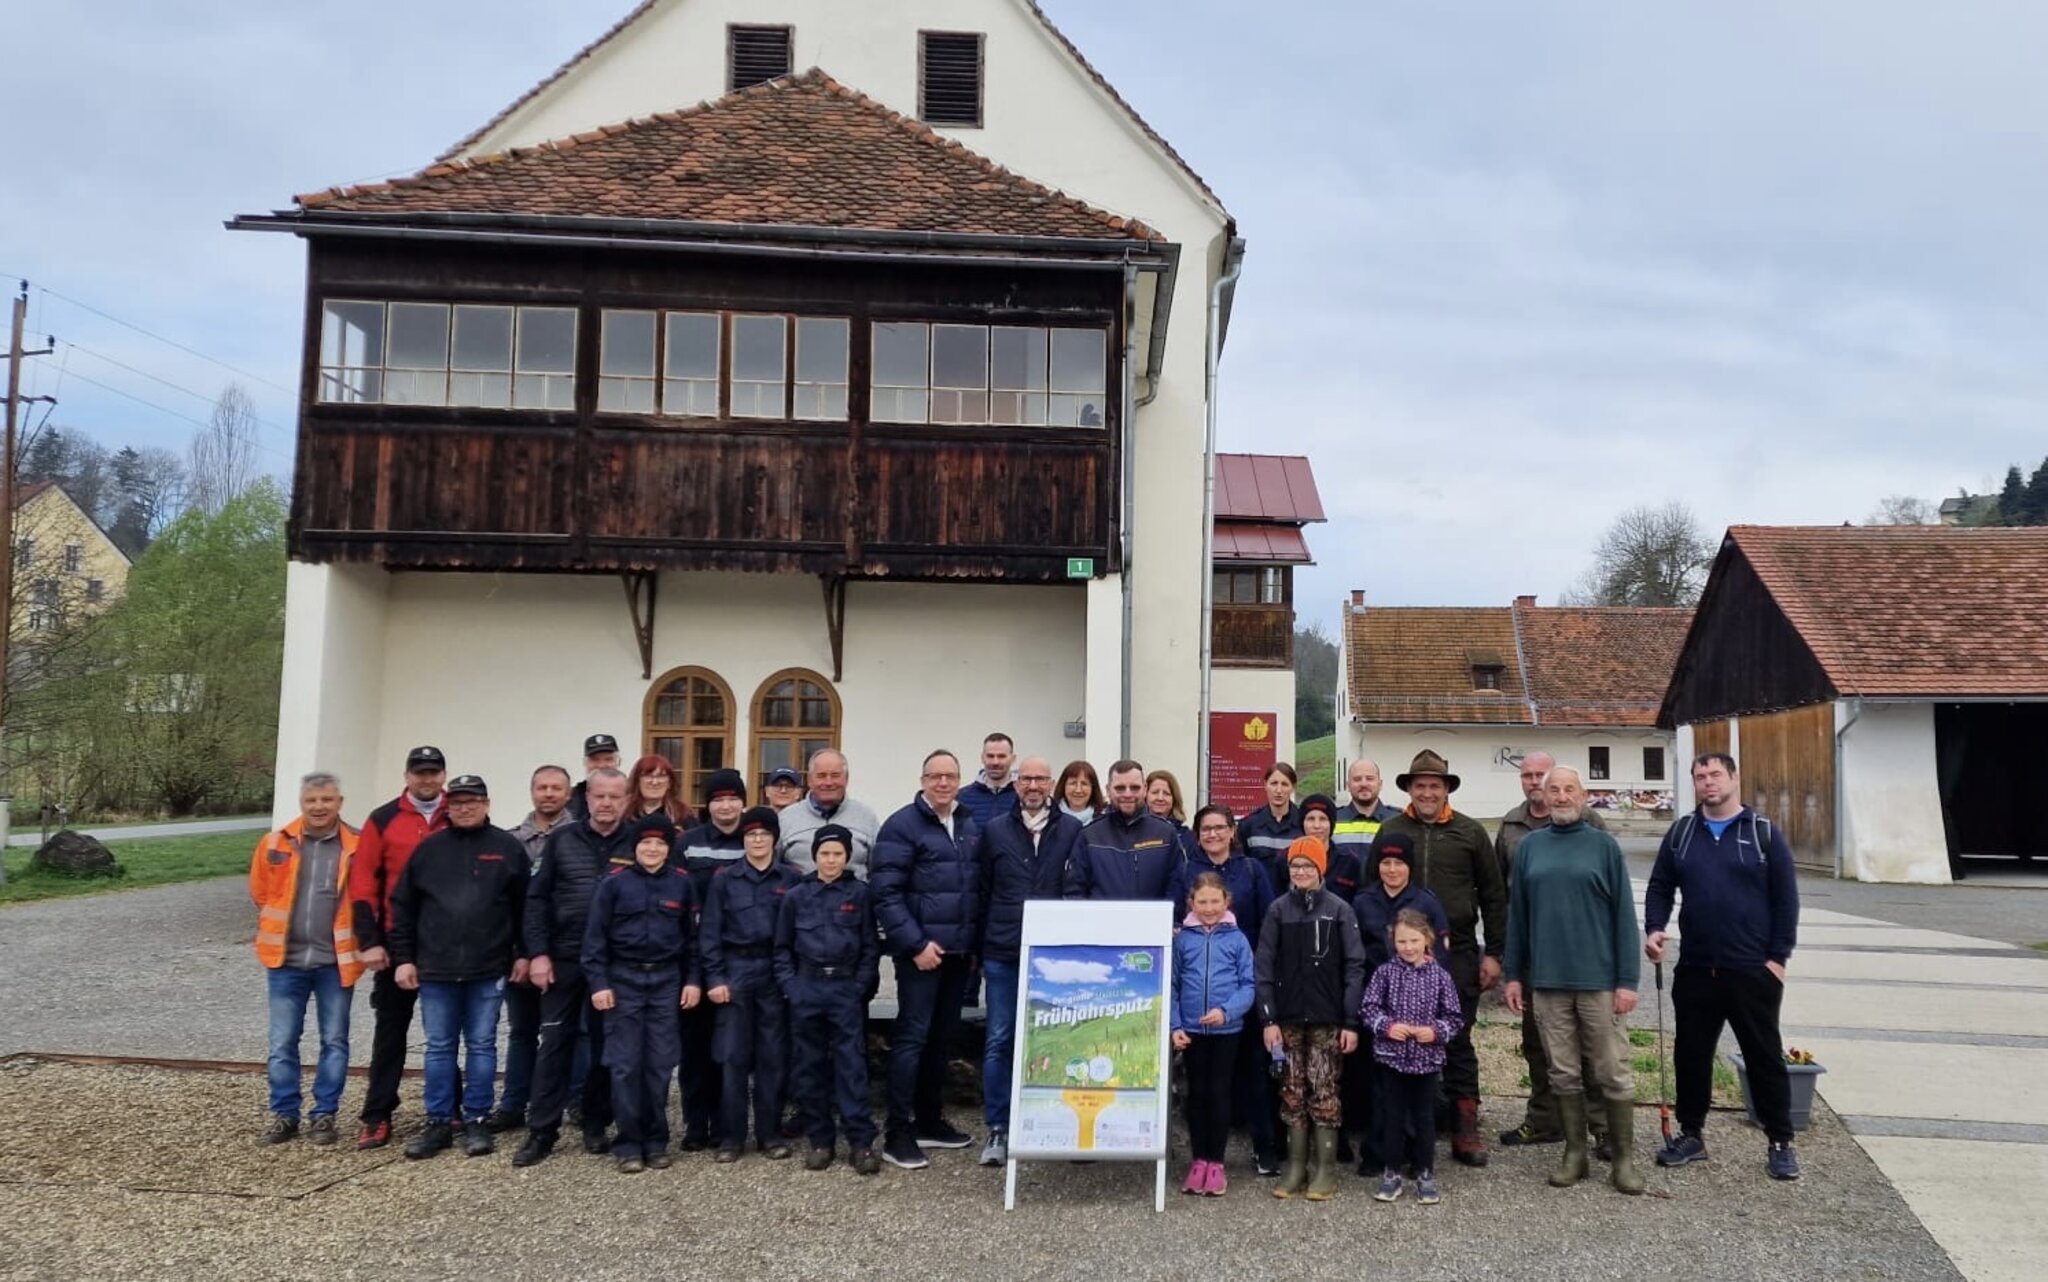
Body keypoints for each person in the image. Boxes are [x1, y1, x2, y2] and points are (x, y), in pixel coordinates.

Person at [1644, 752, 1802, 1182]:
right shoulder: (1682, 834)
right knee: (1691, 1054)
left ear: (1734, 778)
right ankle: (1691, 1134)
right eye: (1700, 777)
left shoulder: (1763, 834)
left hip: (1752, 968)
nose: (1708, 783)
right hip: (1696, 966)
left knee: (1763, 1055)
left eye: (1716, 775)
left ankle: (1780, 1141)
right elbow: (1660, 886)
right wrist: (1654, 928)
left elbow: (1785, 900)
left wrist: (1777, 958)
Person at [1504, 765, 1644, 1194]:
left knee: (1611, 1070)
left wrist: (1627, 980)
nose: (1561, 797)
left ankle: (1622, 1160)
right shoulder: (1531, 847)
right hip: (1547, 983)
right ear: (1542, 798)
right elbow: (1519, 917)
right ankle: (1575, 1154)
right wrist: (1513, 974)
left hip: (1599, 981)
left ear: (1584, 796)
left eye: (1569, 789)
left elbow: (1624, 915)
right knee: (1562, 1071)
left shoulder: (1603, 847)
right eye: (1554, 790)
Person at [1371, 750, 1506, 1168]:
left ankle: (1465, 1126)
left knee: (1456, 1037)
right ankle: (1407, 1127)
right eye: (1420, 785)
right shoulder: (1391, 829)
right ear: (1409, 789)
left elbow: (1493, 894)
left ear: (1446, 789)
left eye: (1435, 785)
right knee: (1397, 1038)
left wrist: (1495, 953)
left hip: (1458, 951)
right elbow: (1369, 889)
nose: (1427, 792)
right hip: (1399, 957)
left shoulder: (1470, 833)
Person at [387, 775, 530, 1160]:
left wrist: (521, 953)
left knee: (482, 1045)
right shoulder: (428, 850)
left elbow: (524, 908)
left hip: (488, 967)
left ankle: (478, 1119)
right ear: (448, 807)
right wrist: (403, 959)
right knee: (439, 1048)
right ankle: (438, 1121)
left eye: (473, 801)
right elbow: (403, 908)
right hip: (435, 967)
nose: (465, 808)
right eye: (458, 802)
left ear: (487, 804)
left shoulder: (507, 848)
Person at [513, 768, 632, 1167]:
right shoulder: (563, 839)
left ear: (626, 799)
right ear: (587, 798)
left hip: (613, 963)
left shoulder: (637, 841)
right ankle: (541, 1130)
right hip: (563, 957)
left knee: (604, 1045)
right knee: (556, 1043)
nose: (606, 803)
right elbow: (537, 900)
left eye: (615, 796)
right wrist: (539, 953)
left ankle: (596, 1122)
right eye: (600, 796)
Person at [871, 748, 983, 1170]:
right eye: (935, 776)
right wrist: (916, 945)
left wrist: (971, 946)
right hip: (920, 956)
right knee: (912, 1040)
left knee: (941, 1042)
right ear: (922, 780)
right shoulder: (901, 825)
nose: (942, 783)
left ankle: (930, 1121)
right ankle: (898, 1132)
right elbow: (885, 893)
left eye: (950, 776)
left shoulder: (969, 823)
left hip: (956, 955)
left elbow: (972, 890)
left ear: (959, 780)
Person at [1496, 749, 1611, 1153]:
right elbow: (1500, 894)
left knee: (1589, 1048)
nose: (1533, 782)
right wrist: (1504, 958)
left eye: (1540, 774)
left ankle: (1600, 1126)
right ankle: (1544, 1118)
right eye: (1527, 775)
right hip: (1532, 953)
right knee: (1536, 1043)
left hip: (1583, 955)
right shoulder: (1511, 826)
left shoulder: (1592, 825)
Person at [975, 756, 1085, 1166]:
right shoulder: (994, 831)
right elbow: (982, 891)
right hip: (1004, 950)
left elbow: (1076, 887)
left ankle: (1061, 1123)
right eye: (1027, 779)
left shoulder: (1072, 830)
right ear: (1016, 784)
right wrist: (978, 950)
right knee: (1000, 1039)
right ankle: (999, 1128)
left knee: (1059, 1040)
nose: (1034, 785)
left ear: (1051, 783)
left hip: (1055, 955)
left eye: (1041, 778)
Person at [583, 811, 702, 1174]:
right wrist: (599, 984)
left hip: (666, 981)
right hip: (623, 981)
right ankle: (629, 1143)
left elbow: (692, 942)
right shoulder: (613, 885)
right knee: (624, 1066)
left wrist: (693, 980)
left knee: (660, 1065)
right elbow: (594, 941)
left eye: (660, 843)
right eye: (645, 842)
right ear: (635, 847)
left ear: (669, 848)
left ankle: (656, 1140)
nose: (652, 848)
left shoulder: (683, 885)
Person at [347, 744, 451, 1150]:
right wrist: (369, 941)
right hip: (393, 942)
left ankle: (448, 1108)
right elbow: (362, 883)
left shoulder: (458, 812)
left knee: (445, 1032)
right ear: (407, 776)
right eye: (419, 773)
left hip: (444, 941)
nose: (426, 780)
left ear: (443, 775)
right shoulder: (383, 819)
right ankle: (377, 1114)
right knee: (391, 1032)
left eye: (433, 773)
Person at [1167, 803, 1279, 1175]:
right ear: (1197, 834)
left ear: (1233, 830)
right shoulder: (1186, 870)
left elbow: (1268, 920)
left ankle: (1264, 1149)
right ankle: (1204, 1157)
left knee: (1253, 1071)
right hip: (1199, 987)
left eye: (1220, 827)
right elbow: (1172, 918)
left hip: (1242, 982)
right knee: (1201, 1084)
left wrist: (1259, 975)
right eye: (1205, 829)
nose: (1213, 834)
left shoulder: (1250, 869)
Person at [250, 772, 362, 1147]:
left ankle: (324, 1115)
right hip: (286, 962)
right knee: (282, 1042)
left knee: (335, 1041)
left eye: (327, 800)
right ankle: (284, 1114)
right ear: (302, 803)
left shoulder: (357, 846)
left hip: (336, 963)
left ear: (339, 802)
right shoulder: (274, 843)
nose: (319, 807)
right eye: (312, 800)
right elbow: (261, 893)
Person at [1256, 837, 1366, 1202]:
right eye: (1295, 866)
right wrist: (1268, 1018)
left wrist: (1350, 1021)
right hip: (1286, 1018)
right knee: (1291, 1090)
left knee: (1325, 1090)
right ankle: (1296, 1164)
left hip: (1327, 1018)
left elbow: (1354, 966)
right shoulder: (1277, 911)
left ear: (1321, 869)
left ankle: (1326, 1168)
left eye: (1308, 866)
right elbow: (1264, 968)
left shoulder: (1339, 910)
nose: (1301, 872)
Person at [776, 824, 883, 1175]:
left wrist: (858, 987)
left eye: (838, 854)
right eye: (825, 853)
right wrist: (792, 987)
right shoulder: (796, 896)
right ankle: (820, 1140)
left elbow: (870, 946)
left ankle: (861, 1142)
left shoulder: (860, 894)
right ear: (815, 856)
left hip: (844, 989)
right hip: (807, 987)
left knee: (851, 1067)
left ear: (847, 857)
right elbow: (782, 949)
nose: (831, 860)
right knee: (809, 1067)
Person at [701, 805, 801, 1162]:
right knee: (732, 1058)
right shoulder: (724, 879)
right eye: (751, 835)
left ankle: (770, 1134)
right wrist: (715, 977)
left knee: (772, 1058)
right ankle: (731, 1138)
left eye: (764, 834)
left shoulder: (791, 879)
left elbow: (797, 934)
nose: (757, 840)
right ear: (743, 839)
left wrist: (792, 979)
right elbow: (709, 932)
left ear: (775, 839)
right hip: (735, 971)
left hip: (775, 973)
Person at [1348, 830, 1448, 1176]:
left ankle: (1414, 1154)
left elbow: (1441, 962)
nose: (1392, 870)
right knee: (1377, 1085)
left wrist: (1435, 1020)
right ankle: (1378, 1152)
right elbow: (1354, 956)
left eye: (1399, 863)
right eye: (1386, 863)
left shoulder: (1427, 902)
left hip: (1417, 1012)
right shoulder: (1362, 902)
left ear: (1410, 866)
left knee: (1417, 1091)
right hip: (1376, 1006)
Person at [493, 764, 575, 1133]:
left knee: (569, 1033)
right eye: (542, 787)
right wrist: (519, 953)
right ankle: (514, 1103)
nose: (549, 794)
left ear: (569, 794)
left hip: (565, 952)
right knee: (523, 1031)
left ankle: (575, 1103)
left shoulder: (580, 838)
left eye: (557, 788)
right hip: (522, 955)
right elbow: (506, 905)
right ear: (532, 792)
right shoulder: (510, 843)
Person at [1361, 911, 1464, 1206]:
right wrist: (1388, 1027)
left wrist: (1436, 1032)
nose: (1408, 947)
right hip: (1391, 1058)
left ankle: (1425, 1172)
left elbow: (1455, 1017)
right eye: (1402, 941)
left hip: (1427, 1060)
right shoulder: (1384, 973)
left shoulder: (1440, 976)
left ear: (1427, 940)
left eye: (1414, 940)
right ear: (1393, 941)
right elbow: (1369, 1009)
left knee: (1424, 1118)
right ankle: (1391, 1172)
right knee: (1392, 1117)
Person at [675, 768, 750, 1148]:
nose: (725, 805)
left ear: (743, 801)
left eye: (732, 798)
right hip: (693, 955)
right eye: (718, 799)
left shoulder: (754, 841)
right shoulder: (688, 843)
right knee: (694, 1046)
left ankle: (725, 1122)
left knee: (728, 1046)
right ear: (709, 804)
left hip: (734, 957)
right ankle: (695, 1123)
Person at [1173, 872, 1256, 1197]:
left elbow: (1248, 984)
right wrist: (1176, 1025)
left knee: (1220, 1093)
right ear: (1191, 903)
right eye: (1202, 902)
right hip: (1192, 1031)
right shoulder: (1183, 940)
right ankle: (1198, 1160)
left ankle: (1216, 1163)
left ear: (1227, 902)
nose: (1209, 908)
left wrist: (1227, 1011)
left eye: (1215, 902)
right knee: (1197, 1094)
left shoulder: (1237, 939)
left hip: (1226, 1029)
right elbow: (1174, 985)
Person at [1064, 759, 1181, 901]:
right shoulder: (1089, 836)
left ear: (1145, 789)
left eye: (1134, 788)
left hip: (1152, 922)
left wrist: (1167, 920)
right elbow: (1075, 892)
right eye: (1120, 788)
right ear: (1108, 790)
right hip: (1101, 922)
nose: (1127, 794)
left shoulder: (1166, 834)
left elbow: (1178, 889)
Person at [777, 750, 882, 877]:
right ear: (810, 780)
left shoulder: (866, 817)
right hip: (800, 895)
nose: (828, 782)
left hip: (854, 895)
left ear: (847, 779)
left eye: (835, 775)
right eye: (821, 776)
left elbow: (879, 870)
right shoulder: (786, 819)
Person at [1238, 762, 1303, 893]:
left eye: (1284, 784)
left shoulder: (1303, 823)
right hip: (1258, 898)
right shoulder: (1249, 825)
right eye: (1274, 783)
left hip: (1294, 901)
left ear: (1293, 787)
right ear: (1265, 785)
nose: (1278, 790)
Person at [1331, 758, 1397, 867]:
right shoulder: (1333, 820)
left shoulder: (1396, 820)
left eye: (1370, 779)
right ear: (1348, 785)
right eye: (1357, 779)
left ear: (1380, 784)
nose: (1364, 784)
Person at [957, 732, 1020, 828]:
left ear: (1013, 758)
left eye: (1001, 756)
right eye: (990, 756)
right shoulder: (961, 797)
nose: (995, 762)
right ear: (982, 758)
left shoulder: (1023, 796)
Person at [626, 754, 698, 828]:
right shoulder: (624, 813)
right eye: (648, 776)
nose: (655, 782)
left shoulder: (684, 816)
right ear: (637, 781)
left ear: (669, 782)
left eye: (661, 776)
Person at [1144, 769, 1199, 863]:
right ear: (1145, 796)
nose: (1160, 798)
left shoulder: (1188, 837)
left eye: (1166, 793)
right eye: (1155, 792)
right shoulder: (1134, 832)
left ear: (1174, 799)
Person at [566, 733, 623, 821]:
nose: (601, 765)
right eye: (595, 760)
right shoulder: (570, 797)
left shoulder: (632, 795)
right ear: (585, 763)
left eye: (608, 759)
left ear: (618, 762)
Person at [1055, 759, 1104, 824]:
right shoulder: (1050, 819)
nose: (1078, 790)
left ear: (1093, 788)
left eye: (1084, 784)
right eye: (1073, 783)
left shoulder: (1104, 821)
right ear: (1063, 786)